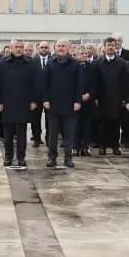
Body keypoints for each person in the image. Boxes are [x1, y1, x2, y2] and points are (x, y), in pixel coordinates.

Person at [0, 38, 39, 167]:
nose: (19, 49)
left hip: (24, 103)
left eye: (21, 46)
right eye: (16, 47)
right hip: (8, 103)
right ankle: (8, 157)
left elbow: (36, 83)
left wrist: (34, 100)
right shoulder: (3, 62)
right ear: (11, 47)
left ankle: (21, 157)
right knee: (7, 134)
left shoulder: (30, 63)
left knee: (22, 133)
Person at [42, 39, 82, 168]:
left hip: (70, 105)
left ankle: (68, 158)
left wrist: (78, 101)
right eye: (58, 46)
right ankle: (52, 158)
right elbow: (45, 84)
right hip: (53, 105)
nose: (60, 48)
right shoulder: (50, 63)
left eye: (63, 46)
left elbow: (79, 84)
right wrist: (45, 99)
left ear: (68, 48)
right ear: (55, 48)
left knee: (69, 134)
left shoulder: (76, 64)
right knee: (52, 135)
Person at [30, 41, 52, 146]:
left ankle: (49, 138)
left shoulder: (54, 60)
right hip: (36, 96)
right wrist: (32, 99)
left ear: (49, 49)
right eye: (42, 47)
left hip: (50, 96)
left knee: (50, 119)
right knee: (35, 119)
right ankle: (37, 139)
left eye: (46, 47)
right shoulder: (32, 61)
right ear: (38, 48)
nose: (44, 49)